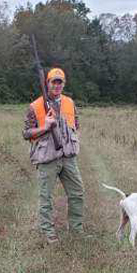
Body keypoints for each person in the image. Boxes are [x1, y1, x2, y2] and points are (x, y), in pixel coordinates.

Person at [22, 68, 85, 244]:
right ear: (47, 83)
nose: (57, 85)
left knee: (77, 193)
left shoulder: (69, 102)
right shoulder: (35, 106)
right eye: (53, 82)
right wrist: (45, 127)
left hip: (68, 157)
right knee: (46, 197)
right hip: (47, 158)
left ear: (64, 84)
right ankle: (48, 233)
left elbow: (76, 124)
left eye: (60, 82)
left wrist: (71, 141)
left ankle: (76, 229)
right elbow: (26, 133)